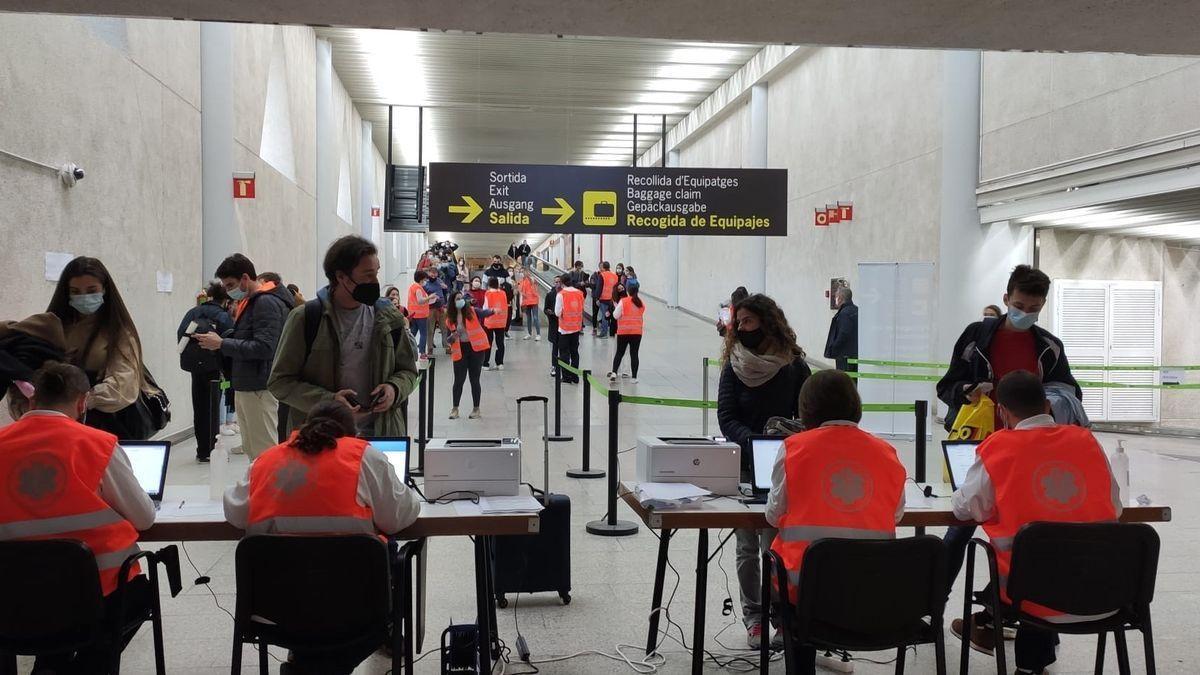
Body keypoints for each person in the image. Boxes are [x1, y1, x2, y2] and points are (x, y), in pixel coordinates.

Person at [224, 399, 420, 674]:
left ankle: (309, 664)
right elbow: (400, 516)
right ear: (352, 434)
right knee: (385, 550)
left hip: (278, 612)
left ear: (305, 427)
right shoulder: (363, 457)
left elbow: (235, 514)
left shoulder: (266, 461)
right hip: (356, 609)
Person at [949, 370, 1122, 674]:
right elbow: (1116, 507)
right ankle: (999, 637)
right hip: (1107, 594)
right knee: (1050, 559)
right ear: (1047, 406)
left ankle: (992, 629)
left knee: (1032, 563)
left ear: (1002, 412)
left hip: (1034, 599)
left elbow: (965, 509)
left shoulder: (999, 447)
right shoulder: (1087, 441)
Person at [0, 362, 156, 674]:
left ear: (32, 400)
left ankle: (53, 664)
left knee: (51, 631)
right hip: (95, 597)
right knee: (133, 601)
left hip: (13, 600)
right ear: (83, 402)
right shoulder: (96, 444)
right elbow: (144, 518)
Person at [936, 265, 1082, 596]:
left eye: (1033, 308)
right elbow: (947, 386)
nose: (1024, 313)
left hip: (1029, 452)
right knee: (959, 530)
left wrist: (1050, 402)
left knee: (1027, 533)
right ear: (1006, 299)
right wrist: (967, 391)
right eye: (1018, 306)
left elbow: (1071, 393)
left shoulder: (1049, 347)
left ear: (1043, 305)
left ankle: (1007, 604)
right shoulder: (976, 337)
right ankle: (934, 604)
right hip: (979, 445)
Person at [764, 369, 907, 671]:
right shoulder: (888, 453)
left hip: (804, 592)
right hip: (872, 590)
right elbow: (896, 514)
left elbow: (774, 515)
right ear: (856, 406)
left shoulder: (794, 448)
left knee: (774, 558)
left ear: (806, 409)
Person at [716, 293, 812, 649]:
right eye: (739, 322)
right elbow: (727, 417)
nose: (741, 328)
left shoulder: (794, 366)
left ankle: (782, 615)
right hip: (744, 465)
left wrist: (782, 443)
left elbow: (807, 415)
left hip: (785, 465)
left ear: (768, 323)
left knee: (778, 544)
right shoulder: (734, 365)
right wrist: (754, 443)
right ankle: (754, 617)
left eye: (748, 321)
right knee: (746, 546)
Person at [269, 235, 419, 437]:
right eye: (368, 275)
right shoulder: (306, 319)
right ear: (341, 277)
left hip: (380, 435)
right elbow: (279, 382)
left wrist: (394, 388)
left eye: (376, 273)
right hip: (321, 439)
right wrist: (328, 401)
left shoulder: (389, 318)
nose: (375, 282)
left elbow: (408, 371)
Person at [47, 256, 159, 439]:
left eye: (91, 290)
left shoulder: (119, 332)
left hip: (104, 427)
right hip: (60, 425)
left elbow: (123, 385)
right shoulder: (55, 327)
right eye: (75, 292)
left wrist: (81, 401)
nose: (84, 297)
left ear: (104, 289)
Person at [200, 253, 295, 459]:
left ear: (245, 278)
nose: (228, 291)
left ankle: (267, 482)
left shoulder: (265, 303)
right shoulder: (253, 302)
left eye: (230, 285)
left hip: (258, 386)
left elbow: (265, 347)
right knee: (254, 452)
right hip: (248, 384)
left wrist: (222, 343)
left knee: (264, 454)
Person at [177, 281, 234, 462]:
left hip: (195, 368)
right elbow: (229, 341)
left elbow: (181, 334)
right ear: (225, 300)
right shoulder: (222, 316)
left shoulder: (193, 312)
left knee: (199, 408)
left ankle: (202, 450)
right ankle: (213, 449)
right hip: (215, 368)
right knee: (213, 409)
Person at [445, 290, 496, 419]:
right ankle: (455, 409)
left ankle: (476, 409)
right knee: (458, 380)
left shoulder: (472, 311)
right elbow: (448, 340)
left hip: (476, 350)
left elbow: (484, 312)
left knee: (474, 379)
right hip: (460, 350)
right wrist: (453, 336)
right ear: (452, 302)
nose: (460, 301)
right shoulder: (449, 319)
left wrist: (494, 310)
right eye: (457, 299)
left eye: (461, 298)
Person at [609, 285, 645, 382]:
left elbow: (615, 315)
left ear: (628, 291)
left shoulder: (623, 301)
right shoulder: (640, 302)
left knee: (619, 353)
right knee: (634, 354)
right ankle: (634, 377)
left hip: (623, 331)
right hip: (637, 332)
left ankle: (614, 372)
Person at [555, 274, 585, 384]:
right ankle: (575, 376)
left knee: (564, 353)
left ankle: (566, 377)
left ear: (562, 283)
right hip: (576, 327)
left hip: (564, 328)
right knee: (575, 353)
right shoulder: (580, 293)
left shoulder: (561, 294)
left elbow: (557, 313)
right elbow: (581, 308)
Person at [823, 286, 859, 375]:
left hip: (844, 356)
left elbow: (844, 333)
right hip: (855, 354)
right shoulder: (856, 310)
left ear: (841, 298)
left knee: (844, 379)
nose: (835, 299)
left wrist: (834, 347)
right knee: (853, 379)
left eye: (836, 296)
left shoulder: (844, 314)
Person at [482, 277, 509, 370]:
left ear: (489, 284)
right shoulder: (503, 293)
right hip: (501, 321)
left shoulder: (487, 293)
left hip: (490, 321)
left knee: (488, 343)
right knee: (500, 343)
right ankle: (499, 363)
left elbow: (485, 308)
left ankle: (485, 363)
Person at [406, 271, 435, 358]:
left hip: (413, 314)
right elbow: (420, 300)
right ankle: (422, 352)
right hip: (421, 315)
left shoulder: (412, 287)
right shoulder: (418, 288)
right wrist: (430, 297)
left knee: (413, 332)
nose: (425, 281)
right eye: (425, 279)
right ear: (421, 279)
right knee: (423, 334)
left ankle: (407, 348)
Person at [544, 275, 562, 377]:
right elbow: (545, 309)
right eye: (556, 282)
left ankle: (564, 367)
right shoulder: (550, 295)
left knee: (563, 347)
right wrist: (549, 313)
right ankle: (554, 366)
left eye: (559, 282)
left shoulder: (564, 294)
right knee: (555, 347)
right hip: (554, 324)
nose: (558, 284)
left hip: (563, 324)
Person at [518, 270, 541, 341]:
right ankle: (529, 333)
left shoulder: (532, 279)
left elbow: (535, 285)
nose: (523, 273)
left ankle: (538, 334)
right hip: (526, 301)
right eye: (522, 272)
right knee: (528, 318)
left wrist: (529, 278)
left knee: (535, 317)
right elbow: (520, 291)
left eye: (524, 271)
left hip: (534, 301)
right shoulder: (521, 281)